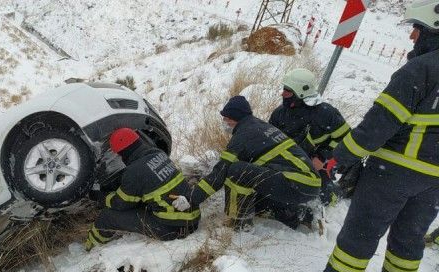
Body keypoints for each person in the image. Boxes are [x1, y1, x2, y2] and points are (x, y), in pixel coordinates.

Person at [303, 0, 439, 272]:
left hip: (393, 171)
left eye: (417, 29)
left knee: (361, 231)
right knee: (411, 234)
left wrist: (340, 158)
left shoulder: (420, 69)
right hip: (434, 180)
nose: (412, 37)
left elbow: (376, 126)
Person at [172, 96, 321, 231]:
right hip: (308, 183)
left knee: (236, 170)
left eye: (226, 118)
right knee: (253, 183)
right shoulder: (260, 126)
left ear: (234, 118)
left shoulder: (242, 136)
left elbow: (220, 173)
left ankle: (239, 222)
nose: (224, 122)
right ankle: (299, 214)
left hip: (296, 183)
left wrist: (192, 198)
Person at [84, 128, 200, 250]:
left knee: (106, 217)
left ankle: (90, 248)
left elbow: (120, 204)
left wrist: (97, 196)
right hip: (192, 218)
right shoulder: (158, 153)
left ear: (122, 152)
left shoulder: (134, 171)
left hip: (171, 228)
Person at [269, 68, 351, 205]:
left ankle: (341, 191)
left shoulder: (325, 113)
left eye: (287, 91)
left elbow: (345, 137)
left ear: (301, 93)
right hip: (290, 161)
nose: (282, 94)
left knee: (326, 198)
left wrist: (322, 157)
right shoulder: (280, 113)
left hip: (319, 163)